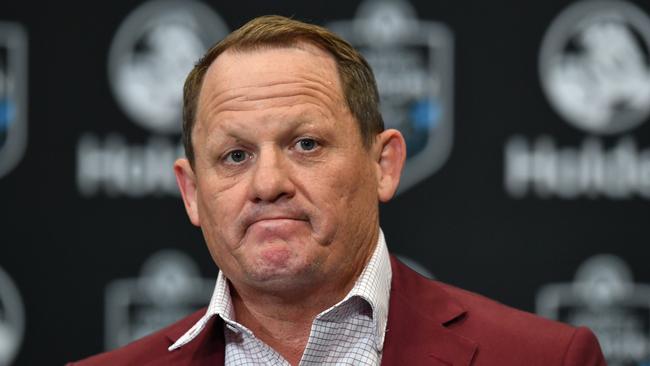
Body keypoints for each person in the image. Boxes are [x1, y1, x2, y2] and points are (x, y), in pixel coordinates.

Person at [69, 15, 606, 366]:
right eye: (235, 156)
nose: (269, 184)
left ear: (384, 164)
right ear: (191, 192)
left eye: (305, 144)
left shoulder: (544, 358)